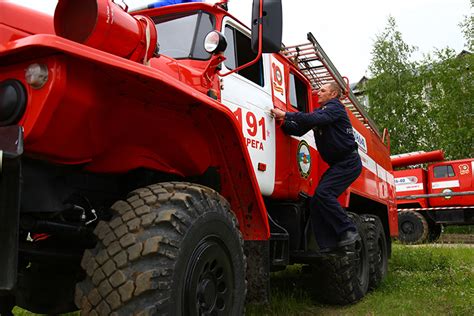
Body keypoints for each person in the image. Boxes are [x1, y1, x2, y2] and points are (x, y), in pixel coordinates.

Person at [271, 82, 362, 253]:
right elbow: (298, 130)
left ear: (333, 94)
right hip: (339, 164)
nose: (317, 93)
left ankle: (348, 231)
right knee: (316, 201)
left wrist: (286, 114)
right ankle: (327, 244)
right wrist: (281, 122)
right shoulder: (322, 113)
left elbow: (312, 119)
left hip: (348, 162)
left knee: (324, 193)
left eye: (322, 90)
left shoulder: (335, 108)